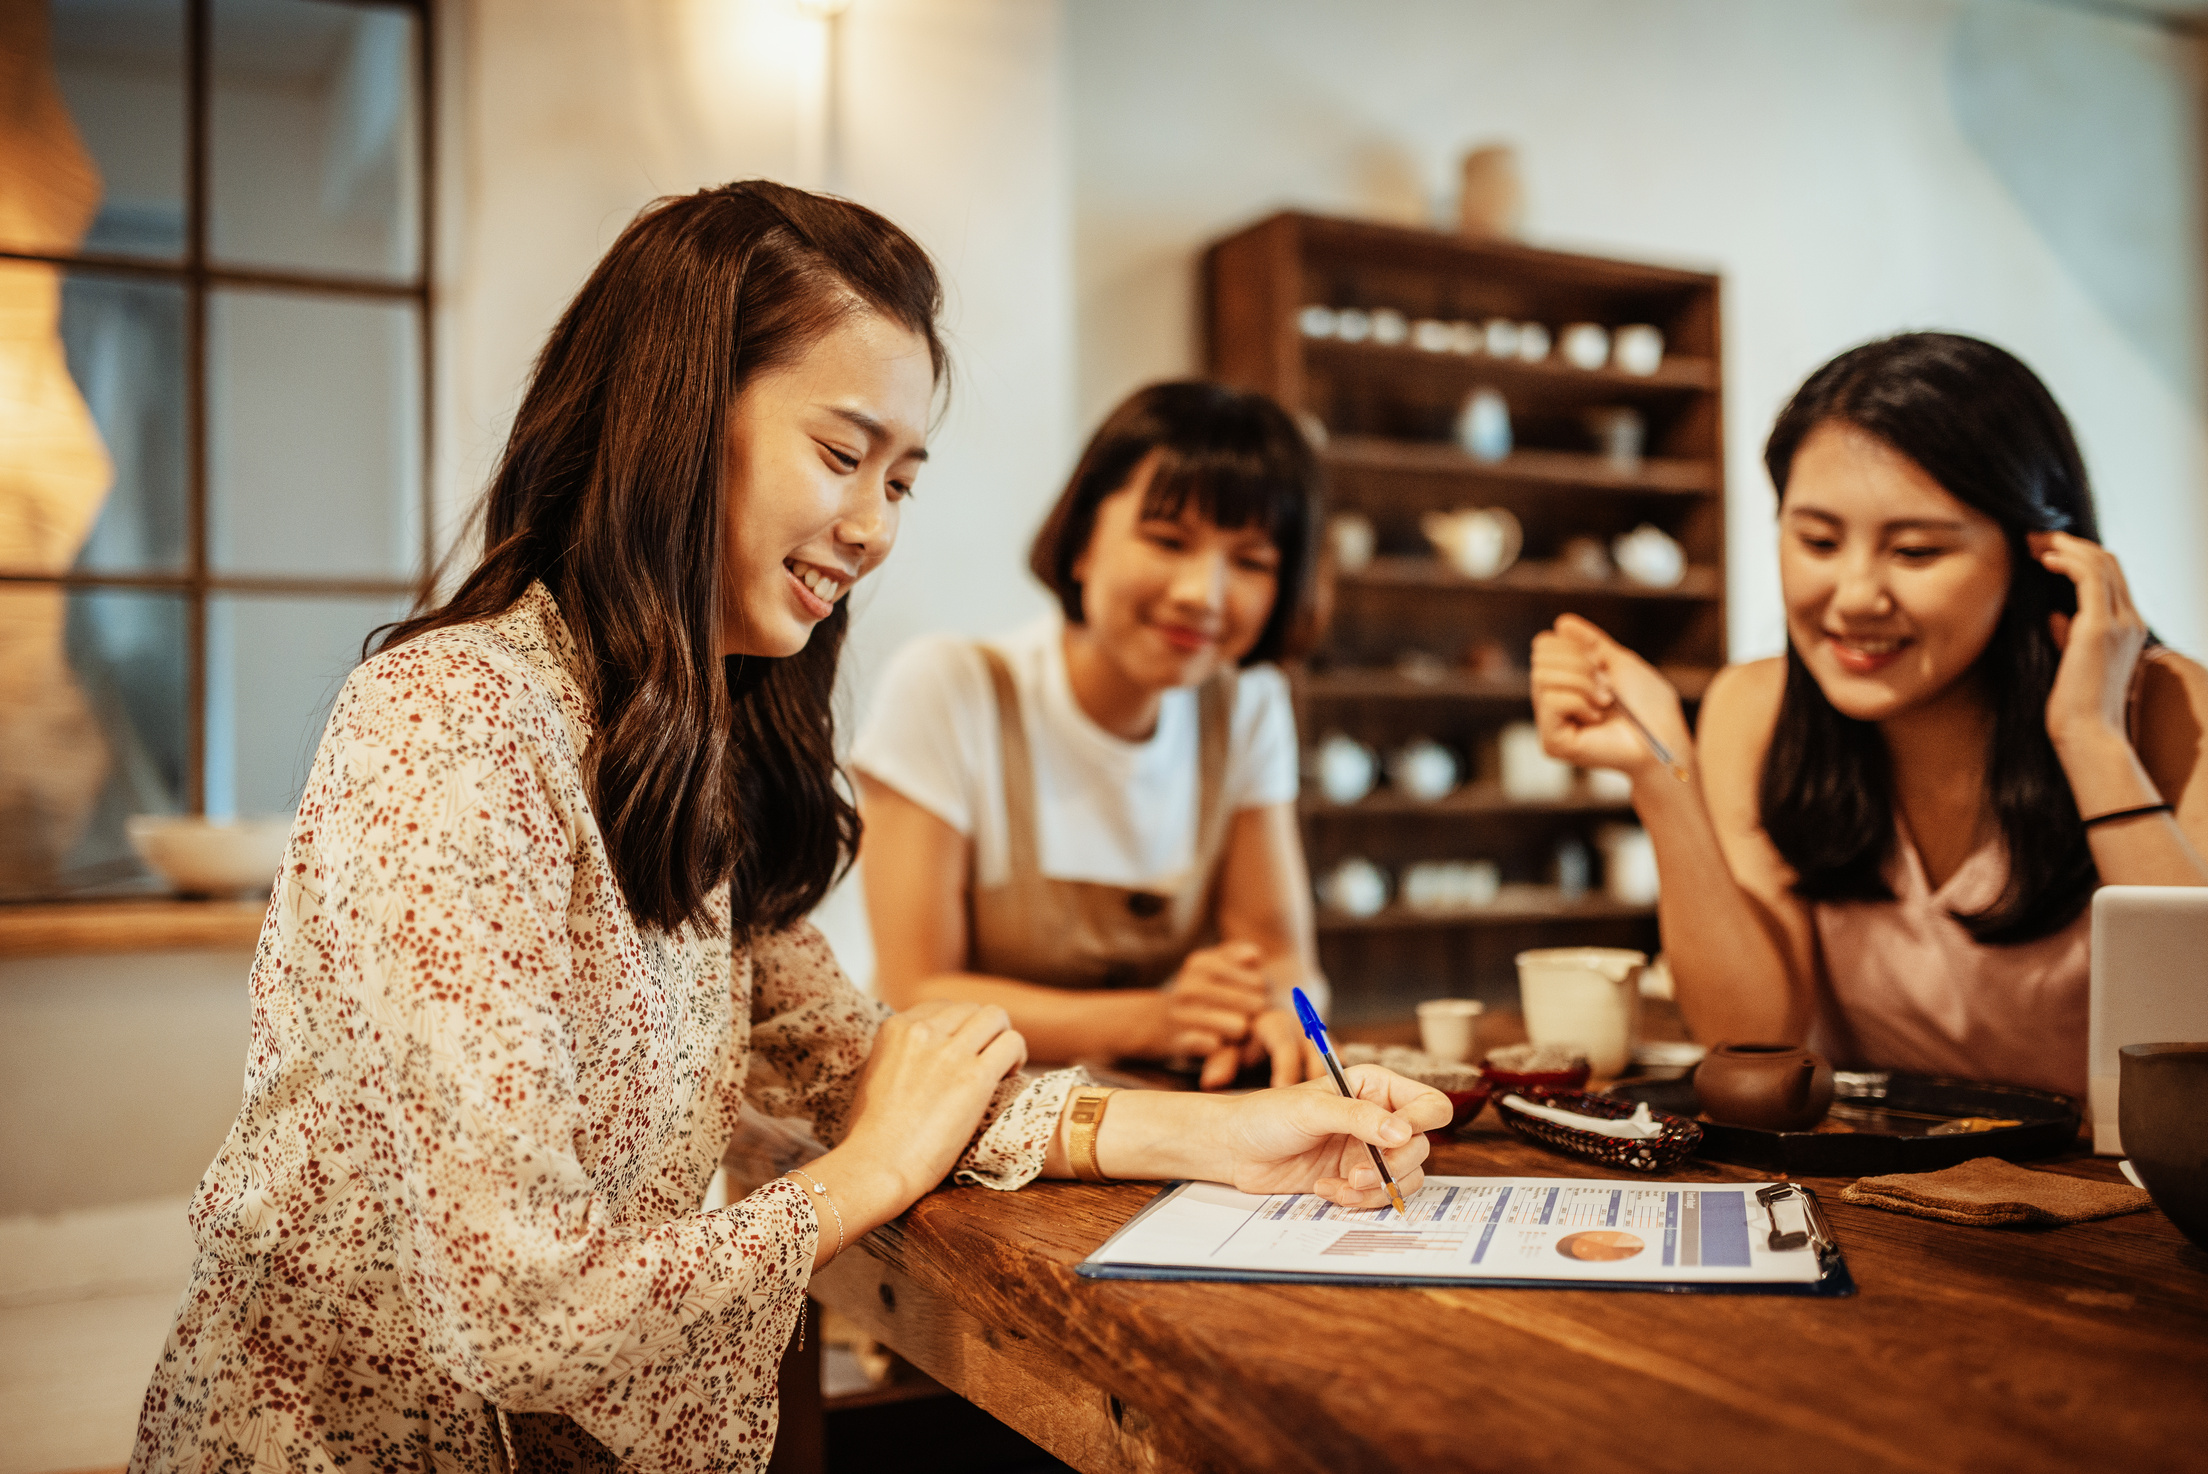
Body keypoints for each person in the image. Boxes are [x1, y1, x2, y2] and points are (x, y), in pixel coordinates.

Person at [130, 183, 1443, 1474]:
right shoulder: (455, 717)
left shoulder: (687, 739)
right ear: (678, 417)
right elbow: (518, 1314)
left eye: (903, 481)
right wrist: (864, 1173)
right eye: (841, 454)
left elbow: (849, 1053)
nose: (874, 530)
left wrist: (1226, 1133)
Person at [1529, 332, 2208, 1101]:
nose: (1854, 596)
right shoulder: (1757, 710)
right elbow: (1751, 1035)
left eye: (1915, 552)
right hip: (1876, 1196)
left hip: (2116, 1204)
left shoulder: (2168, 708)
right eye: (1817, 540)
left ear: (2039, 556)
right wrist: (1656, 774)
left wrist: (2089, 737)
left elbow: (2200, 1028)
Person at [853, 381, 1327, 1090]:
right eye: (1169, 541)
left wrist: (1285, 1015)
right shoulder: (951, 688)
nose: (1205, 592)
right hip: (944, 1119)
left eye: (1252, 562)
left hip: (1143, 1121)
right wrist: (1159, 1019)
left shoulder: (1248, 706)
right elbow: (916, 990)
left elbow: (1284, 960)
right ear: (1081, 543)